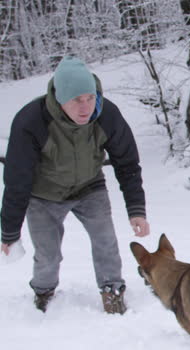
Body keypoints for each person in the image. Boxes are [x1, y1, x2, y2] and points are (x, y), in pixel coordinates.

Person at [0, 56, 150, 314]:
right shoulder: (31, 121)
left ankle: (112, 291)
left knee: (106, 243)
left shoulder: (107, 115)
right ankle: (44, 294)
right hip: (43, 195)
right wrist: (10, 231)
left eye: (90, 98)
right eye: (76, 100)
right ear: (60, 99)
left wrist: (136, 209)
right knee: (48, 255)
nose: (85, 107)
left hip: (89, 187)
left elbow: (127, 163)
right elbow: (17, 179)